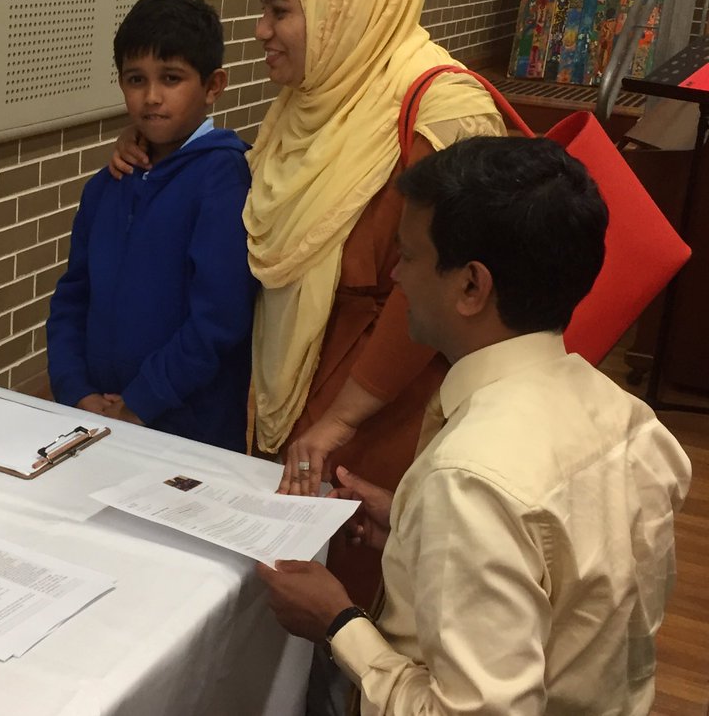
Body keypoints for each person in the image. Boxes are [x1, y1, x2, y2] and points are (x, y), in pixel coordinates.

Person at [111, 0, 504, 603]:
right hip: (291, 395)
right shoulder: (305, 101)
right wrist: (149, 151)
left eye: (277, 11)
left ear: (342, 5)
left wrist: (341, 419)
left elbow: (433, 295)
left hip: (378, 410)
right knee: (278, 593)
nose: (261, 32)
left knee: (357, 598)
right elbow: (253, 204)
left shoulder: (443, 113)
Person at [257, 136, 691, 714]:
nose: (395, 274)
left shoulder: (468, 479)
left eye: (408, 255)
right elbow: (577, 591)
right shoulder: (631, 419)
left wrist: (338, 623)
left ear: (471, 285)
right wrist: (413, 528)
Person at [46, 0, 256, 451]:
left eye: (172, 78)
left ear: (213, 85)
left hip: (188, 429)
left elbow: (219, 319)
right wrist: (75, 390)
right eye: (136, 79)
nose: (152, 97)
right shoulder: (107, 185)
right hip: (97, 420)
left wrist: (140, 402)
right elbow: (72, 295)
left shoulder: (224, 179)